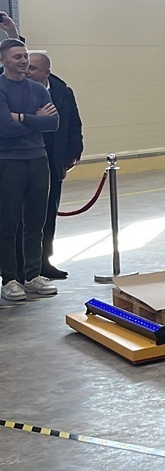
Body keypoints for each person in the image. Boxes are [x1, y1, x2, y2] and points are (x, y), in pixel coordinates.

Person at [0, 39, 60, 302]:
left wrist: (21, 117)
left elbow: (53, 123)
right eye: (17, 57)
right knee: (8, 223)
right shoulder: (1, 88)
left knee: (36, 221)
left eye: (25, 56)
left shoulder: (38, 89)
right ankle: (10, 279)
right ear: (3, 60)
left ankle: (33, 275)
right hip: (8, 161)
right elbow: (4, 128)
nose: (23, 61)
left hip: (38, 160)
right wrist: (36, 119)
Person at [24, 51, 82, 281]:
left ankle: (44, 261)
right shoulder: (15, 91)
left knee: (49, 214)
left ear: (46, 72)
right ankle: (20, 265)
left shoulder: (63, 92)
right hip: (24, 162)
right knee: (22, 217)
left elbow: (73, 124)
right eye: (25, 66)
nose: (26, 71)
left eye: (32, 68)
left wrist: (74, 152)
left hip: (53, 161)